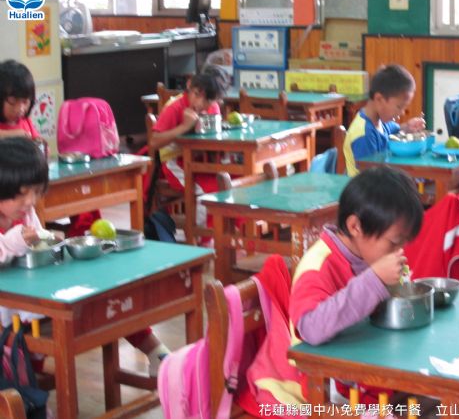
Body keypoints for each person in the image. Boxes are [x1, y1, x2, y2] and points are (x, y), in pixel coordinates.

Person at [243, 167, 424, 412]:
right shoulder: (318, 264)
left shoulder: (365, 256)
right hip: (310, 390)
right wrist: (373, 280)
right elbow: (311, 328)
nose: (399, 251)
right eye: (394, 242)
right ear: (355, 226)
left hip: (353, 370)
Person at [0, 138, 169, 375]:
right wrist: (14, 242)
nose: (30, 202)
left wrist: (49, 240)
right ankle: (30, 378)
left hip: (34, 291)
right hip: (11, 307)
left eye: (36, 192)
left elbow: (37, 240)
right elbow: (11, 247)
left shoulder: (25, 213)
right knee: (39, 336)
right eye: (21, 194)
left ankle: (155, 350)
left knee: (101, 295)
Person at [150, 67, 229, 231]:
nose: (200, 103)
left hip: (202, 162)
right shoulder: (175, 107)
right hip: (175, 163)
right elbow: (154, 142)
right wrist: (184, 127)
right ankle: (202, 236)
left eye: (207, 100)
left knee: (230, 182)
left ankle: (226, 232)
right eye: (197, 95)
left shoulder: (213, 108)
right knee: (205, 192)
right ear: (189, 86)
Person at [343, 64, 426, 176]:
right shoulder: (364, 135)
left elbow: (396, 129)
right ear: (379, 99)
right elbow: (369, 177)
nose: (402, 113)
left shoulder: (380, 122)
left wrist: (407, 127)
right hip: (367, 185)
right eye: (399, 107)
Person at [0, 59, 40, 139]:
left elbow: (37, 141)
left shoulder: (26, 122)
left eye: (25, 102)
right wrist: (12, 134)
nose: (20, 109)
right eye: (12, 101)